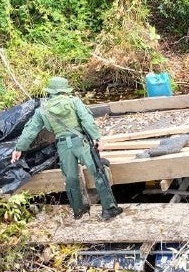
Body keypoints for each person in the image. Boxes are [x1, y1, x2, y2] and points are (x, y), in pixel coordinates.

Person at [11, 77, 122, 220]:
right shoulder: (74, 101)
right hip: (80, 142)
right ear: (65, 90)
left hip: (63, 146)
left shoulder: (42, 110)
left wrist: (19, 148)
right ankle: (109, 208)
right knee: (98, 172)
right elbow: (87, 121)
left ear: (50, 92)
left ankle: (78, 210)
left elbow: (30, 131)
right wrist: (97, 138)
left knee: (70, 178)